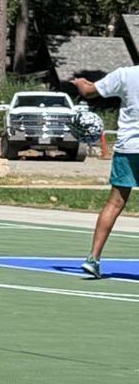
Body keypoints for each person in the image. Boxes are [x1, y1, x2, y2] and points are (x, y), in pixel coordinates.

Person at [69, 63, 139, 278]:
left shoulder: (126, 75)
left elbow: (90, 92)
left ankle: (93, 258)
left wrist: (81, 83)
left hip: (128, 148)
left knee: (115, 203)